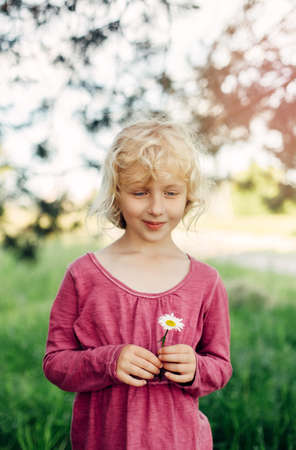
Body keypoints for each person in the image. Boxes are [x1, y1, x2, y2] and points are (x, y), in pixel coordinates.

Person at [43, 119, 232, 450]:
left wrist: (194, 368)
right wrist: (108, 361)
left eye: (171, 193)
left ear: (188, 197)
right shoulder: (83, 275)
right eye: (140, 192)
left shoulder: (206, 281)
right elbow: (56, 364)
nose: (156, 207)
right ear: (117, 193)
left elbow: (220, 365)